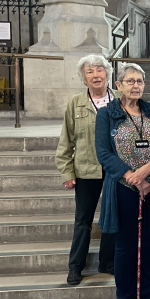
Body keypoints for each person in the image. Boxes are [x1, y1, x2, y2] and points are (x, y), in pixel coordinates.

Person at [95, 63, 150, 299]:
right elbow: (104, 154)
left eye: (139, 81)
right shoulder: (107, 114)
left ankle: (149, 293)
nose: (136, 85)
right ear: (118, 85)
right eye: (130, 81)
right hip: (124, 186)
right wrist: (134, 177)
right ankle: (125, 298)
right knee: (126, 244)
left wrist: (147, 170)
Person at [56, 55, 120, 286]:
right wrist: (67, 172)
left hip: (115, 169)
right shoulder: (76, 103)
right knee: (83, 220)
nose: (96, 75)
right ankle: (75, 267)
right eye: (90, 71)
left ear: (107, 73)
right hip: (85, 169)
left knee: (112, 217)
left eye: (100, 70)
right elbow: (66, 141)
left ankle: (108, 262)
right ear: (84, 77)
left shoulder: (120, 99)